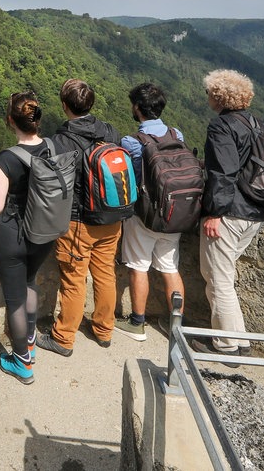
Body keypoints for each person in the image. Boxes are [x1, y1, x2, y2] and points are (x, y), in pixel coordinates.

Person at [39, 78, 124, 357]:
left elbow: (51, 183)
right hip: (111, 217)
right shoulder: (110, 132)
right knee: (105, 274)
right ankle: (104, 330)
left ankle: (63, 338)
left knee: (74, 280)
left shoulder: (61, 140)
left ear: (64, 106)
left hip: (78, 221)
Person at [0, 91, 58, 383]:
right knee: (29, 284)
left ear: (10, 121)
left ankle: (21, 361)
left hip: (11, 234)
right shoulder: (52, 147)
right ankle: (29, 341)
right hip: (43, 232)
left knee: (14, 297)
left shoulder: (7, 159)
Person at [197, 69, 264, 361]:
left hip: (231, 213)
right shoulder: (254, 123)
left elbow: (222, 173)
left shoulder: (222, 126)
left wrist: (214, 213)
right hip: (254, 210)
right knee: (223, 276)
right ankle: (241, 341)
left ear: (218, 96)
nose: (207, 97)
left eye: (209, 92)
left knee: (218, 278)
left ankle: (226, 347)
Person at [117, 82, 187, 340]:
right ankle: (176, 326)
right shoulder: (176, 134)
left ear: (137, 108)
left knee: (138, 266)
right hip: (174, 212)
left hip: (144, 215)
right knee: (170, 268)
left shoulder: (131, 141)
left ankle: (137, 323)